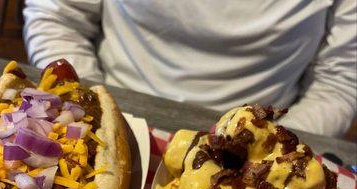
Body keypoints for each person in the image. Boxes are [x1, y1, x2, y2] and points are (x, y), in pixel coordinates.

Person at [23, 0, 356, 138]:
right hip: (112, 110)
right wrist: (90, 112)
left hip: (264, 132)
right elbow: (57, 15)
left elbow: (341, 83)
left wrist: (269, 146)